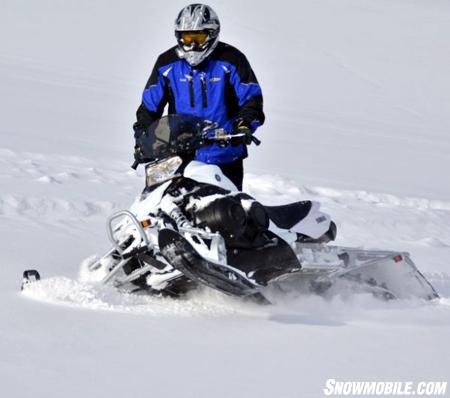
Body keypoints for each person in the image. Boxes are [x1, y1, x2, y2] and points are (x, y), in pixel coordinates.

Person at [133, 3, 264, 190]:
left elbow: (252, 99)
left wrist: (244, 125)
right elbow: (149, 107)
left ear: (212, 34)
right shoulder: (166, 63)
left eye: (198, 37)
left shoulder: (232, 60)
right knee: (159, 202)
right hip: (177, 153)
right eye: (187, 38)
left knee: (224, 213)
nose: (192, 45)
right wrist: (142, 138)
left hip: (224, 152)